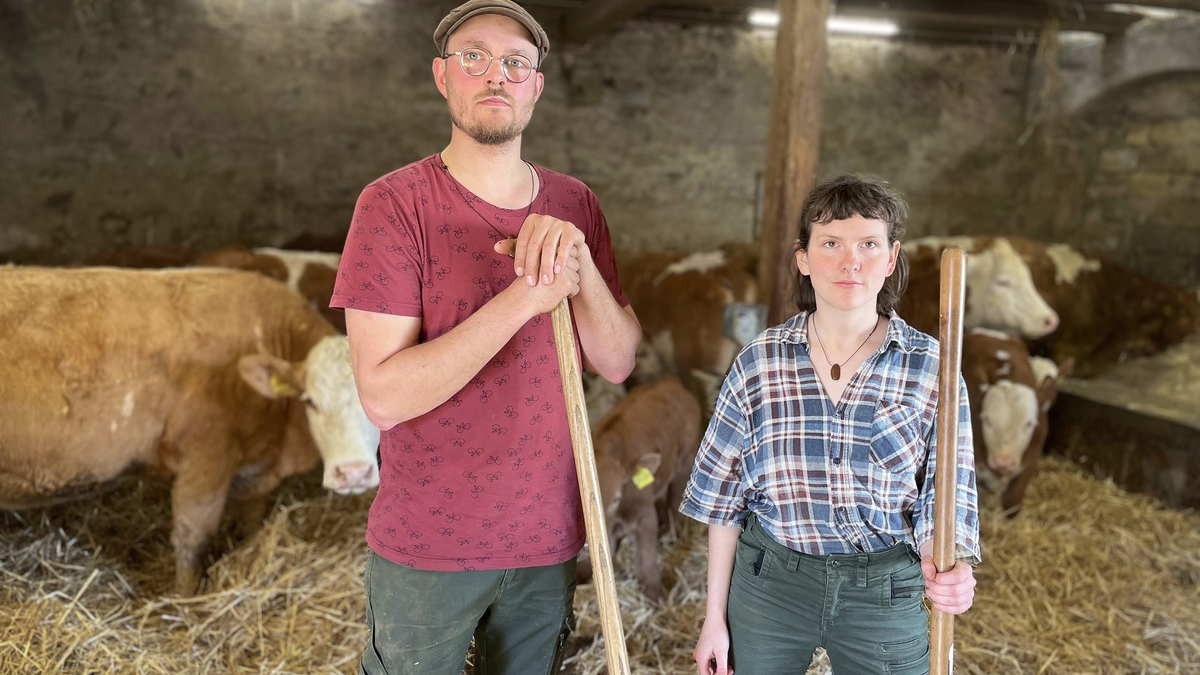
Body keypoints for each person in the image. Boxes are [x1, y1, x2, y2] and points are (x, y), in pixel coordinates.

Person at [328, 2, 640, 674]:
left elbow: (616, 361)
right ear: (444, 77)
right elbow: (382, 396)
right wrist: (525, 297)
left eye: (515, 63)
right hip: (428, 546)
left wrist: (579, 269)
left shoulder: (575, 204)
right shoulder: (392, 205)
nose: (495, 75)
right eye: (474, 57)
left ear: (536, 86)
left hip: (546, 539)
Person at [680, 174, 980, 675]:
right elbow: (724, 501)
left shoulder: (933, 368)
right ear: (803, 258)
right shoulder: (760, 363)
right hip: (771, 583)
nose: (850, 261)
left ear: (891, 258)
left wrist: (951, 566)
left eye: (868, 244)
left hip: (883, 591)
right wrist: (713, 619)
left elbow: (947, 494)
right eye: (831, 243)